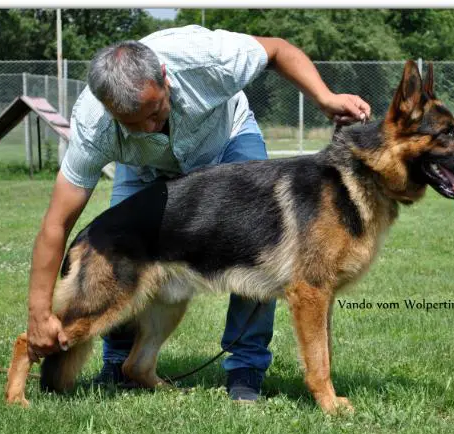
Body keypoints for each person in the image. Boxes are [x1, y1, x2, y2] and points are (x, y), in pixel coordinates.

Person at [26, 25, 371, 402]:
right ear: (110, 111)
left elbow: (276, 50)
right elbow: (57, 223)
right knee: (120, 253)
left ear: (165, 78)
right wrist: (39, 312)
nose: (150, 126)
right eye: (134, 122)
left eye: (155, 111)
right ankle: (122, 363)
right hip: (144, 169)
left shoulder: (207, 58)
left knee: (264, 245)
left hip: (228, 141)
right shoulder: (94, 127)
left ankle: (246, 369)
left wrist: (324, 97)